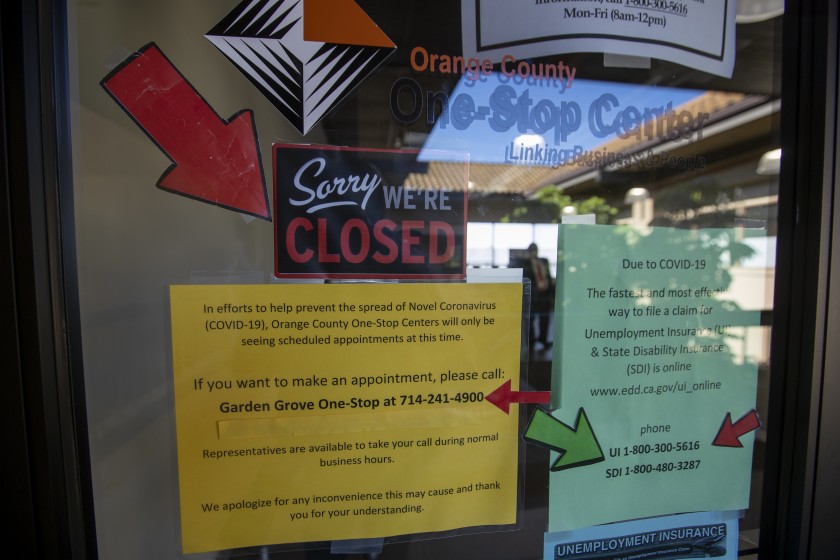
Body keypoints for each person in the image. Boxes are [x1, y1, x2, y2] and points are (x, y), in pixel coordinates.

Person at [522, 243, 554, 351]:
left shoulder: (544, 261)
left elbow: (548, 277)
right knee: (530, 319)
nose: (534, 252)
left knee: (545, 319)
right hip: (533, 297)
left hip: (545, 296)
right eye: (532, 250)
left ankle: (543, 340)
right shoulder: (525, 263)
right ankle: (530, 341)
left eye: (535, 249)